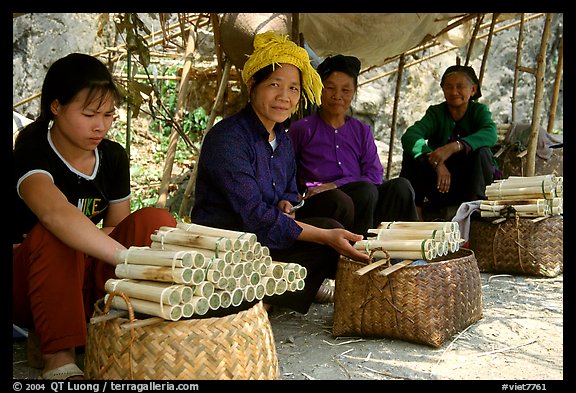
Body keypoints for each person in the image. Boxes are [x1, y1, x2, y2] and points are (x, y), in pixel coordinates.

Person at [12, 53, 177, 380]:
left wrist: (124, 254)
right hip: (31, 284)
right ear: (56, 108)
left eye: (108, 115)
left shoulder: (112, 156)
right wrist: (128, 258)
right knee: (58, 233)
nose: (100, 125)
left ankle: (127, 327)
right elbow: (55, 213)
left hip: (85, 280)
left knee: (154, 220)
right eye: (89, 114)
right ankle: (59, 356)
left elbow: (117, 225)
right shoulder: (32, 146)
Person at [190, 32, 369, 315]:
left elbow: (288, 187)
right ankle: (260, 302)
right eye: (274, 85)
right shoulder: (229, 138)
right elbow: (254, 216)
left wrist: (288, 201)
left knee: (336, 209)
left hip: (265, 236)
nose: (284, 97)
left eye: (294, 89)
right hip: (230, 244)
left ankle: (278, 293)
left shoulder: (282, 138)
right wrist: (322, 235)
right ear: (252, 85)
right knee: (324, 236)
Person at [288, 54, 419, 236]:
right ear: (320, 89)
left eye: (346, 90)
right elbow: (286, 170)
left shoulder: (361, 130)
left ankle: (412, 249)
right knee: (364, 191)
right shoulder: (302, 129)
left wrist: (335, 184)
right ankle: (359, 251)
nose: (337, 96)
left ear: (354, 92)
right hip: (322, 199)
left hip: (361, 195)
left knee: (401, 187)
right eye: (330, 88)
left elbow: (374, 175)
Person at [400, 64, 500, 220]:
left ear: (473, 90)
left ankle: (475, 210)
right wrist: (437, 162)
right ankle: (416, 211)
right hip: (442, 183)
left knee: (482, 152)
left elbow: (491, 134)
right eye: (448, 87)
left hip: (470, 183)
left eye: (460, 86)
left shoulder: (479, 111)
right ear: (443, 90)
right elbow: (410, 136)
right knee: (412, 153)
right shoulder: (436, 113)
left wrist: (455, 146)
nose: (454, 92)